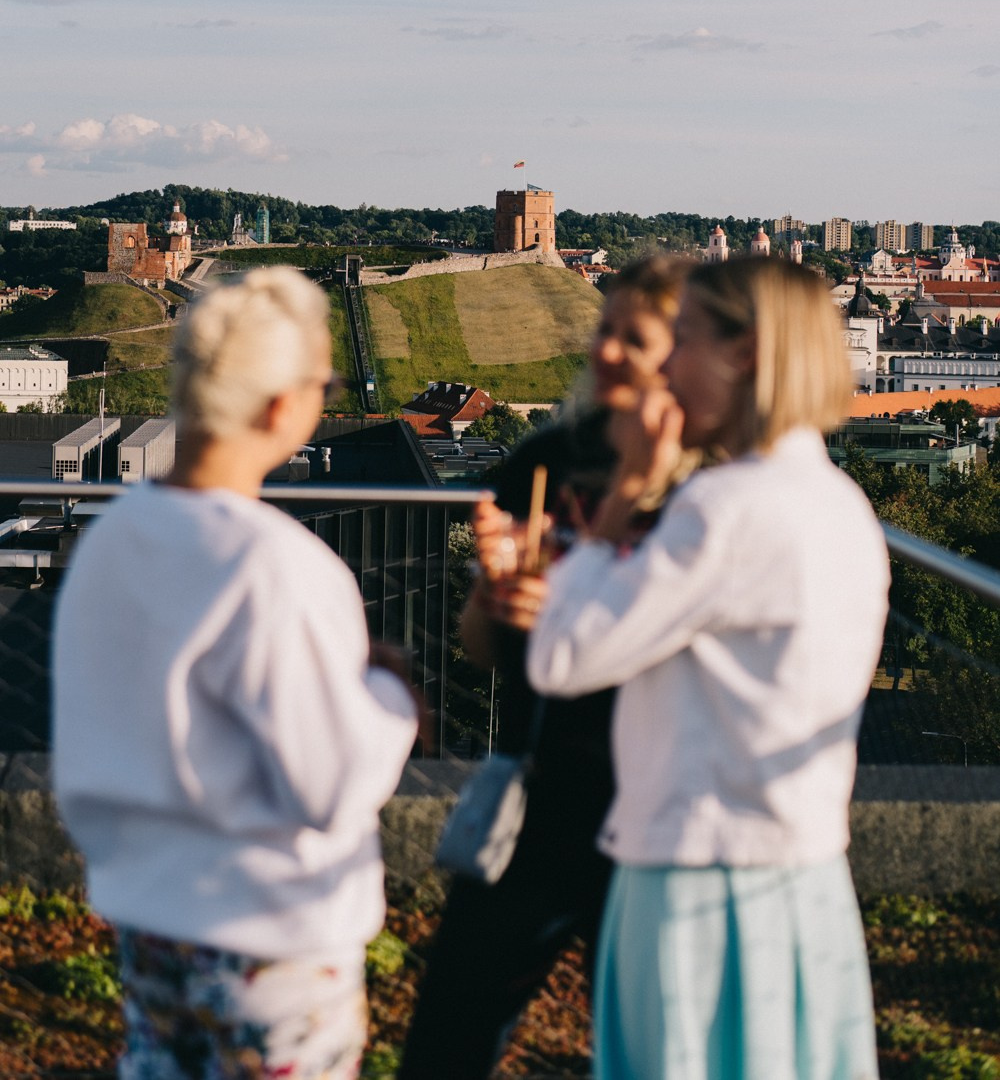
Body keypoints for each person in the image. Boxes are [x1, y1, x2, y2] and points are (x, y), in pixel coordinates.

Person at [514, 255, 889, 1080]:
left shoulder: (725, 509)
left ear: (745, 353)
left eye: (682, 339)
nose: (667, 366)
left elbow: (560, 655)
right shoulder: (840, 502)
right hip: (804, 873)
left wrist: (623, 499)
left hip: (698, 878)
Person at [53, 267, 419, 1080]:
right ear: (283, 404)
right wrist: (390, 697)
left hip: (148, 923)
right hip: (271, 939)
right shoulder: (276, 566)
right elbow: (328, 784)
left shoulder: (108, 540)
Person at [399, 254, 690, 1080]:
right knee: (450, 1032)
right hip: (537, 792)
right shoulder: (549, 460)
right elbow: (482, 651)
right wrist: (494, 598)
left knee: (648, 1047)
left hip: (653, 805)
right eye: (605, 330)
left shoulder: (707, 494)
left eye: (633, 339)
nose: (605, 352)